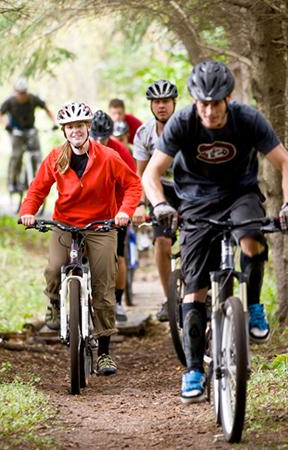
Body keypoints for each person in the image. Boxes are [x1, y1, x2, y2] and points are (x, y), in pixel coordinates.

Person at [142, 61, 288, 403]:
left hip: (239, 194)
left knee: (252, 239)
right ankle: (194, 370)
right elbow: (152, 173)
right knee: (194, 290)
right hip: (195, 201)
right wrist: (160, 205)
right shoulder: (182, 122)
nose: (210, 111)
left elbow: (287, 165)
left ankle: (254, 304)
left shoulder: (248, 119)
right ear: (194, 100)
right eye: (203, 103)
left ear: (229, 98)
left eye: (216, 103)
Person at [20, 101, 142, 376]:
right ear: (64, 131)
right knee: (54, 268)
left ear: (88, 128)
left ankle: (104, 353)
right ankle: (53, 303)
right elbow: (37, 189)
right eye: (70, 127)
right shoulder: (55, 157)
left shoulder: (108, 156)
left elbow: (133, 184)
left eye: (80, 126)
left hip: (101, 225)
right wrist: (28, 212)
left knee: (103, 282)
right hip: (64, 223)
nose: (75, 131)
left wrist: (124, 212)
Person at [130, 80, 181, 323]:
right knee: (162, 242)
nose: (161, 106)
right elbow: (140, 173)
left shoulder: (187, 127)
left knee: (196, 239)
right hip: (160, 190)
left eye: (166, 101)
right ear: (151, 105)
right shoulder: (143, 133)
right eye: (157, 102)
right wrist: (140, 204)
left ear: (174, 103)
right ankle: (168, 298)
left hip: (190, 189)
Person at [90, 110, 137, 323]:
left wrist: (126, 211)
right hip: (89, 209)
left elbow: (132, 183)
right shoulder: (81, 148)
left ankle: (117, 301)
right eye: (96, 137)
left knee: (117, 256)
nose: (100, 142)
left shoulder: (120, 151)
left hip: (116, 210)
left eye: (104, 138)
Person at [0, 78, 58, 193]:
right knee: (17, 155)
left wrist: (54, 122)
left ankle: (40, 179)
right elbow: (0, 115)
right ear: (15, 92)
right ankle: (12, 183)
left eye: (24, 92)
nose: (22, 95)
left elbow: (46, 108)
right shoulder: (10, 101)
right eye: (20, 93)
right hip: (16, 132)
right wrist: (7, 126)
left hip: (31, 130)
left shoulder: (32, 99)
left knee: (37, 154)